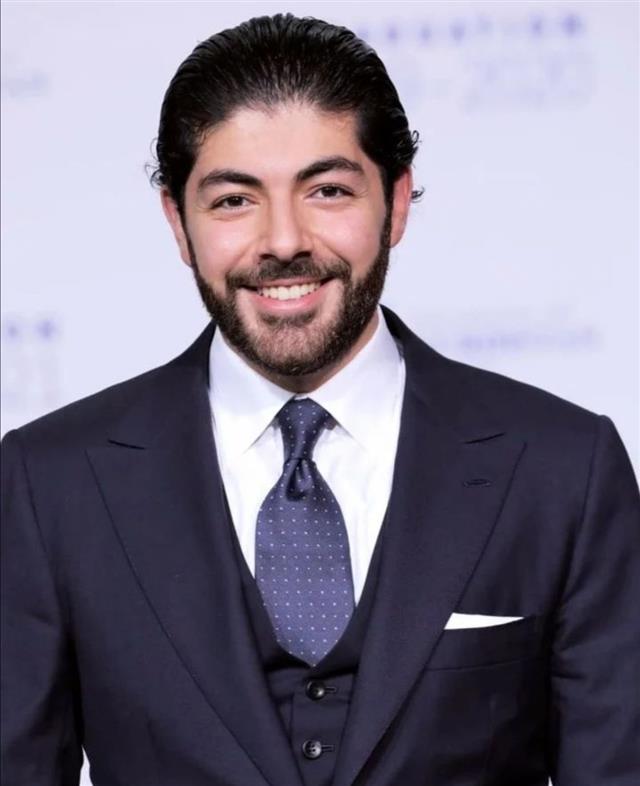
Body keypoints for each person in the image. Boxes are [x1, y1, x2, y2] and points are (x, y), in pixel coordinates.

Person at [1, 12, 639, 786]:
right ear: (178, 222)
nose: (283, 241)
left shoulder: (563, 470)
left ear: (396, 202)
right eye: (233, 201)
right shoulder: (50, 483)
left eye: (328, 190)